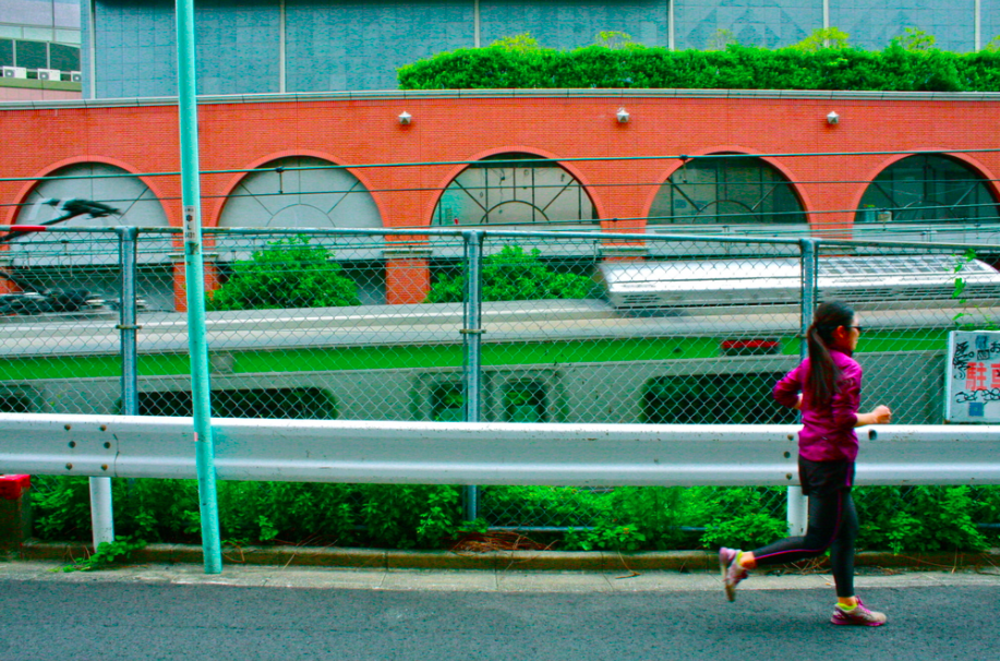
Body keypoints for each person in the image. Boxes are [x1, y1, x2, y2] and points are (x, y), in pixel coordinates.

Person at [719, 300, 892, 626]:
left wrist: (809, 405)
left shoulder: (813, 362)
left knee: (846, 532)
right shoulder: (848, 368)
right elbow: (842, 419)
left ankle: (848, 605)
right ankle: (742, 560)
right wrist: (875, 417)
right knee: (817, 541)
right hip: (832, 461)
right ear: (841, 332)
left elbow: (781, 393)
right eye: (857, 328)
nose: (859, 335)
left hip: (811, 457)